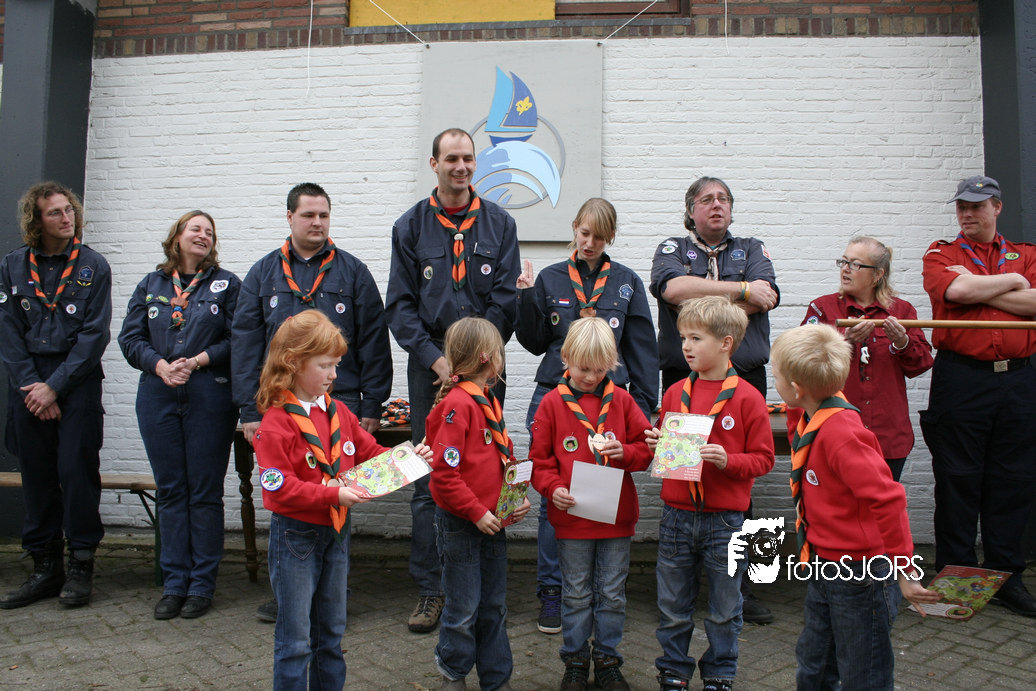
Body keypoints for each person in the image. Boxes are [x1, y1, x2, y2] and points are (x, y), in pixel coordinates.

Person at [232, 182, 392, 623]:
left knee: (338, 489)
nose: (317, 222)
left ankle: (332, 592)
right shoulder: (263, 273)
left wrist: (372, 406)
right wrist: (249, 410)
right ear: (290, 217)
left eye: (324, 215)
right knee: (296, 490)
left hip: (341, 403)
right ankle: (293, 591)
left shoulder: (353, 272)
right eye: (308, 215)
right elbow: (245, 344)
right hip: (282, 405)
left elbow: (374, 341)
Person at [253, 310, 433, 690]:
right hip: (296, 537)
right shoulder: (276, 423)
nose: (334, 374)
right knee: (295, 641)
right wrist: (332, 493)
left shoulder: (337, 411)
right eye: (325, 365)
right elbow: (277, 488)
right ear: (293, 362)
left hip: (336, 534)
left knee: (332, 634)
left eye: (336, 364)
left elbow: (370, 453)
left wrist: (411, 458)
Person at [386, 128, 520, 633]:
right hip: (431, 367)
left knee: (488, 467)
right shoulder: (409, 226)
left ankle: (484, 584)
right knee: (429, 476)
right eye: (451, 159)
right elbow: (400, 305)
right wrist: (436, 360)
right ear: (434, 164)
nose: (460, 167)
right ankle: (432, 590)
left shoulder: (500, 224)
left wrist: (479, 360)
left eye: (468, 158)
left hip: (485, 364)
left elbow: (505, 300)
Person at [770, 324, 940, 690]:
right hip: (824, 565)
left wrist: (906, 571)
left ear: (797, 388)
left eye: (776, 376)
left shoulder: (842, 433)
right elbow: (797, 413)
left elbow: (888, 499)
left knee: (864, 672)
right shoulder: (812, 412)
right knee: (815, 664)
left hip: (861, 574)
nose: (774, 382)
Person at [516, 197, 657, 635]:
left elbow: (641, 348)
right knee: (554, 494)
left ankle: (599, 589)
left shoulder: (627, 282)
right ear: (574, 228)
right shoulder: (551, 277)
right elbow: (534, 342)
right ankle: (554, 591)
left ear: (610, 236)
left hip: (610, 399)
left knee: (604, 488)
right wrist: (526, 298)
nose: (590, 242)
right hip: (554, 395)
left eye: (599, 236)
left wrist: (644, 407)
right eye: (584, 233)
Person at [649, 176, 778, 624]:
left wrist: (702, 299)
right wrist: (740, 292)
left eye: (723, 199)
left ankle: (747, 587)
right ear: (691, 210)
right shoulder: (672, 249)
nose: (717, 205)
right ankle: (685, 582)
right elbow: (673, 291)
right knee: (685, 471)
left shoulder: (752, 248)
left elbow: (768, 296)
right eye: (706, 199)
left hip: (744, 377)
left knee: (742, 477)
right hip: (685, 378)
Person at [644, 296, 775, 691]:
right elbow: (671, 452)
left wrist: (728, 460)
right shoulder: (675, 393)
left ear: (725, 343)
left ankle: (720, 673)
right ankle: (673, 670)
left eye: (696, 338)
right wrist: (657, 444)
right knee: (673, 606)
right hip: (676, 515)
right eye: (683, 337)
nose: (685, 346)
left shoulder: (748, 398)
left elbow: (764, 459)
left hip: (726, 521)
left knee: (725, 608)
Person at [920, 175, 1036, 618]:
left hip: (1018, 380)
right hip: (962, 379)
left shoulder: (1027, 254)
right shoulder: (941, 254)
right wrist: (1014, 284)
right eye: (962, 207)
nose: (967, 214)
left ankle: (1006, 577)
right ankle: (959, 580)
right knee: (958, 478)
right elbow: (956, 291)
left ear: (997, 207)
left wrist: (987, 284)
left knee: (1013, 480)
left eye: (977, 206)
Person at [118, 210, 241, 619]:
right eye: (195, 229)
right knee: (171, 490)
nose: (203, 236)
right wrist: (160, 365)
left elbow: (239, 338)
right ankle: (174, 584)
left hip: (209, 396)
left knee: (204, 492)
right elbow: (130, 337)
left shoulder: (228, 285)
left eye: (210, 232)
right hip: (158, 395)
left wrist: (198, 359)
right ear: (177, 237)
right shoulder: (151, 284)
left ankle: (201, 585)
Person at [0, 182, 112, 609]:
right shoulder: (13, 266)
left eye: (69, 211)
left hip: (76, 381)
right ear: (36, 220)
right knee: (37, 474)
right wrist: (34, 386)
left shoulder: (93, 265)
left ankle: (81, 564)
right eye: (55, 213)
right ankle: (45, 568)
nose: (66, 218)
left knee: (77, 471)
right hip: (29, 385)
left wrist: (55, 387)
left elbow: (94, 335)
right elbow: (8, 331)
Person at [529, 317, 652, 691]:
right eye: (584, 368)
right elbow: (539, 463)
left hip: (616, 519)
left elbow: (646, 451)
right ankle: (576, 660)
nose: (590, 377)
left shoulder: (623, 401)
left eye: (600, 370)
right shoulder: (551, 404)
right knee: (577, 593)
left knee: (612, 594)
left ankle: (608, 660)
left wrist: (625, 452)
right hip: (573, 519)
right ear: (565, 358)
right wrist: (553, 489)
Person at [426, 317, 530, 691]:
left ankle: (496, 678)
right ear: (488, 357)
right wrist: (476, 511)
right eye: (500, 351)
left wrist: (515, 499)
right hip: (462, 524)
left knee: (493, 607)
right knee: (463, 608)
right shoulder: (459, 404)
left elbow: (502, 459)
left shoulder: (486, 400)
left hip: (492, 522)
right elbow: (444, 474)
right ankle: (453, 675)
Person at [801, 236, 933, 481]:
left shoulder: (902, 311)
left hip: (887, 437)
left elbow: (922, 364)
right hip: (835, 432)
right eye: (843, 261)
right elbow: (801, 365)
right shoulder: (823, 308)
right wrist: (843, 342)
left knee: (883, 502)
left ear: (877, 274)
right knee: (836, 502)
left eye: (855, 264)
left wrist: (902, 342)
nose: (845, 269)